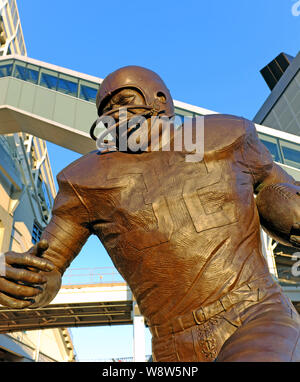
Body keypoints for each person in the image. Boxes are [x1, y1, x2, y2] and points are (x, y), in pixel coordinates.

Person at [1, 65, 300, 362]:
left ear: (159, 100)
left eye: (123, 100)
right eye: (106, 109)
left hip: (255, 311)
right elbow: (48, 264)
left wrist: (289, 208)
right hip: (171, 343)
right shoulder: (85, 180)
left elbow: (279, 187)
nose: (114, 113)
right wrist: (22, 282)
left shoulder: (224, 136)